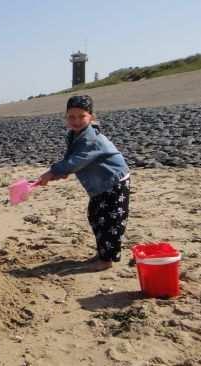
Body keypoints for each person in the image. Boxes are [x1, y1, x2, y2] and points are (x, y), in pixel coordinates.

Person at [37, 95, 130, 271]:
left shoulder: (91, 139)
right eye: (71, 116)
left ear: (91, 117)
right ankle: (103, 253)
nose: (76, 121)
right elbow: (71, 158)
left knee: (110, 221)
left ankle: (107, 260)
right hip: (99, 184)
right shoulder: (74, 135)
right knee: (95, 216)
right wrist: (61, 173)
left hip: (113, 182)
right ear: (65, 117)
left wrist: (53, 171)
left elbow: (77, 160)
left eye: (82, 116)